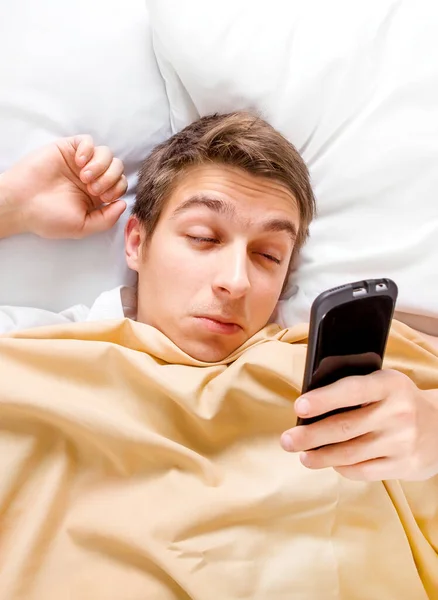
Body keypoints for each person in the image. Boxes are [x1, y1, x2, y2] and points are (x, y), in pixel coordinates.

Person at [1, 111, 437, 483]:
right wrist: (12, 205)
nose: (236, 281)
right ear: (136, 242)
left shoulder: (336, 377)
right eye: (204, 237)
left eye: (267, 255)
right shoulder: (39, 348)